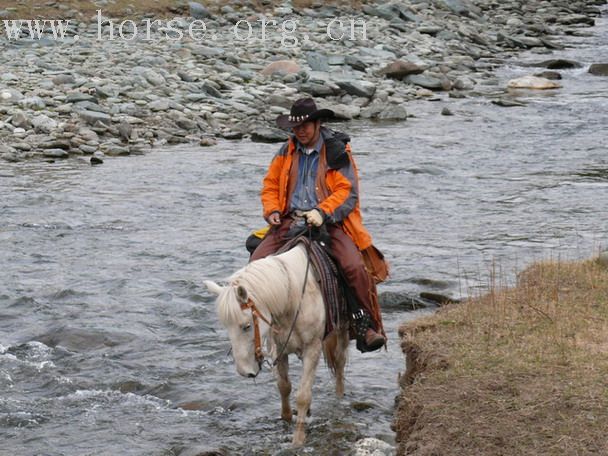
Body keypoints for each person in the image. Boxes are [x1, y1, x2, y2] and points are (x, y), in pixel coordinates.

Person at [250, 98, 387, 352]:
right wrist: (272, 210)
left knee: (354, 266)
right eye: (296, 127)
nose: (300, 131)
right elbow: (270, 185)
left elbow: (348, 192)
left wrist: (322, 212)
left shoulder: (336, 151)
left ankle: (365, 325)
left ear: (317, 123)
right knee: (255, 265)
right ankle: (256, 328)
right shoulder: (285, 151)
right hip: (290, 220)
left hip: (329, 222)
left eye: (305, 126)